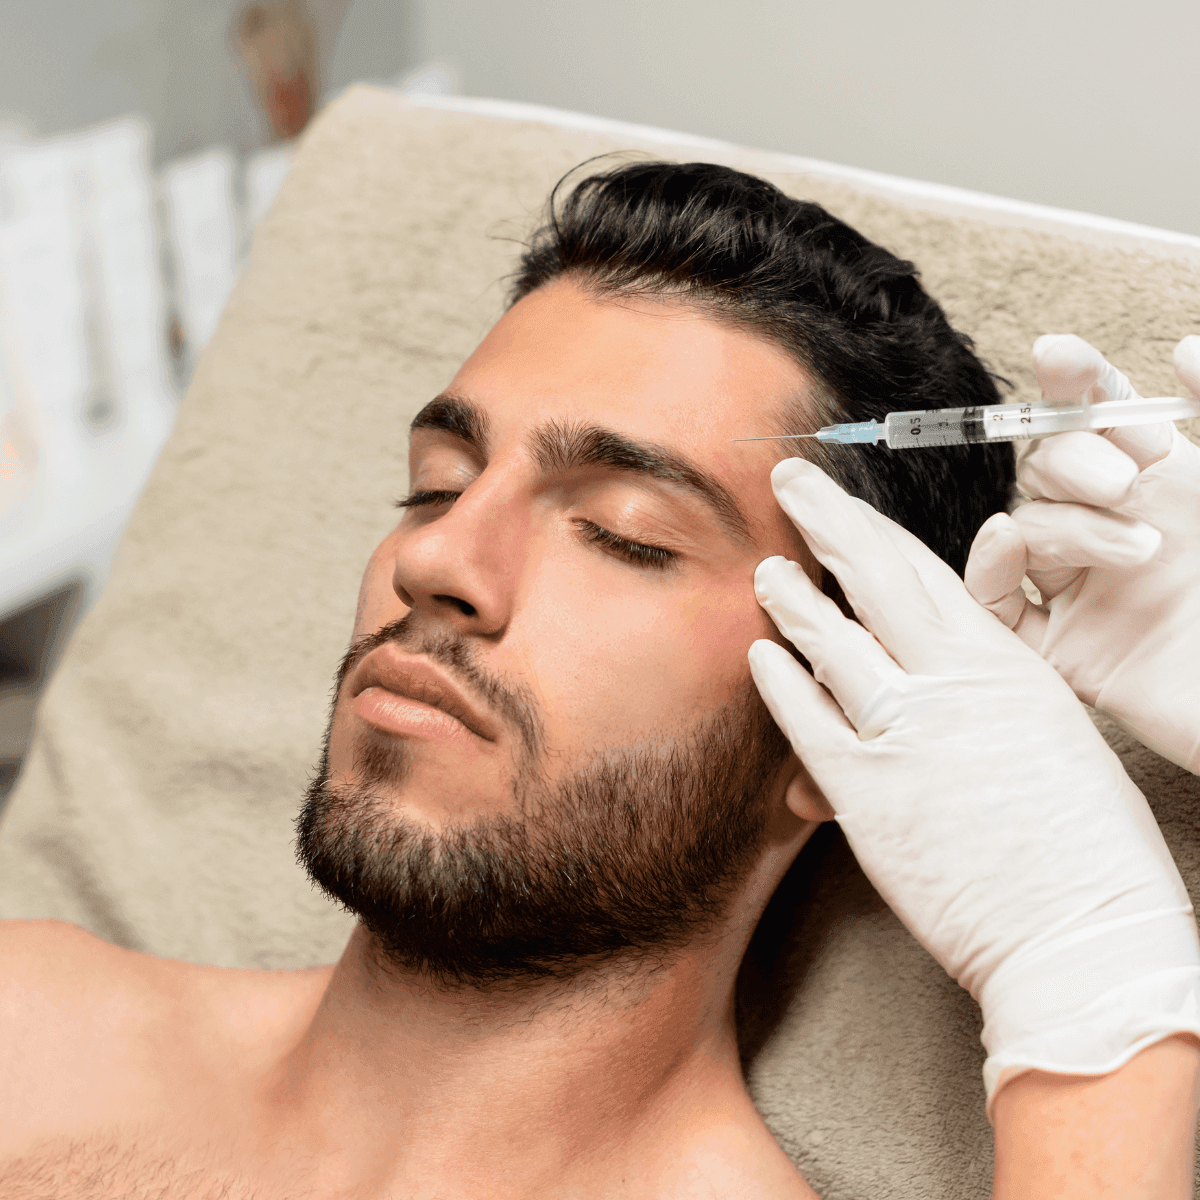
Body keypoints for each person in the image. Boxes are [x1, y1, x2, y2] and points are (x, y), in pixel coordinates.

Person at [0, 158, 1194, 1198]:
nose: (436, 556)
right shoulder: (33, 1023)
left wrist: (1092, 992)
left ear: (835, 709)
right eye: (434, 483)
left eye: (626, 531)